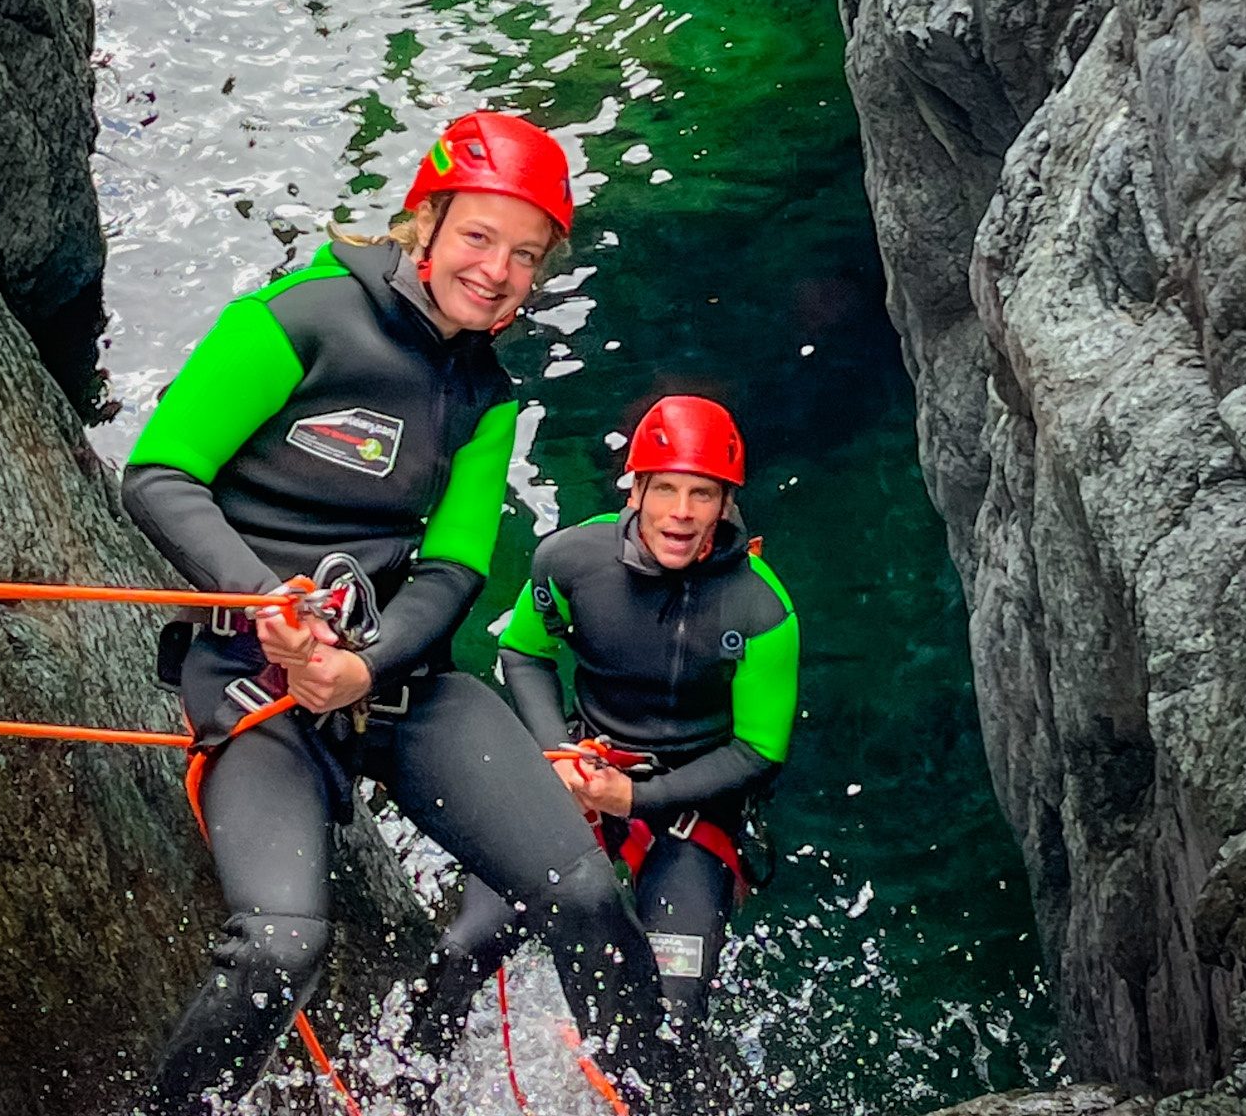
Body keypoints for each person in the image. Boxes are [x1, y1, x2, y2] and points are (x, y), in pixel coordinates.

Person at [121, 112, 667, 1114]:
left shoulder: (487, 394)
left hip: (393, 680)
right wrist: (265, 601)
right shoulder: (299, 320)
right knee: (280, 946)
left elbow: (453, 571)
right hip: (251, 678)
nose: (497, 272)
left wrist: (363, 670)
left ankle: (659, 1096)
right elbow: (160, 473)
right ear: (427, 222)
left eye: (526, 256)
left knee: (588, 896)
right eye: (479, 237)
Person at [423, 396, 800, 1106]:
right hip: (586, 768)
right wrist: (559, 754)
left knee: (675, 1015)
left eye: (702, 494)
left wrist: (637, 798)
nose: (681, 513)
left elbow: (758, 752)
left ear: (725, 505)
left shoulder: (760, 609)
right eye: (666, 490)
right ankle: (403, 1088)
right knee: (464, 948)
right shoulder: (571, 560)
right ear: (636, 491)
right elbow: (524, 653)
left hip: (691, 805)